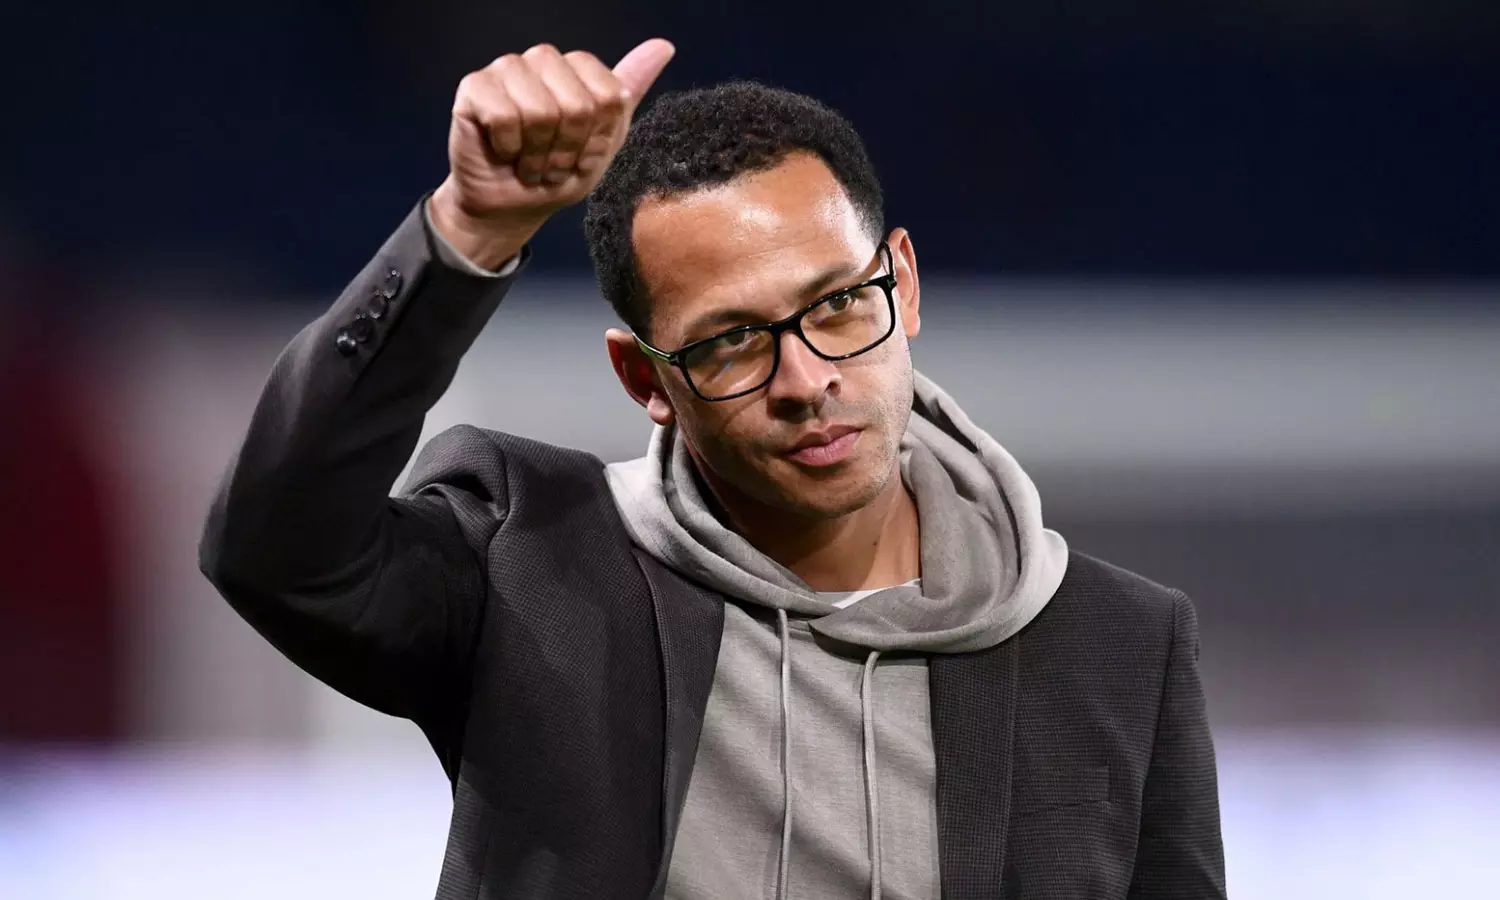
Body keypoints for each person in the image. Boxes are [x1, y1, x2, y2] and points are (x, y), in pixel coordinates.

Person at [199, 38, 1226, 900]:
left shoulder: (1121, 647)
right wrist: (466, 232)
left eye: (838, 304)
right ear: (644, 379)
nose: (807, 380)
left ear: (903, 283)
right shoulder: (532, 566)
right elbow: (276, 553)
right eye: (732, 341)